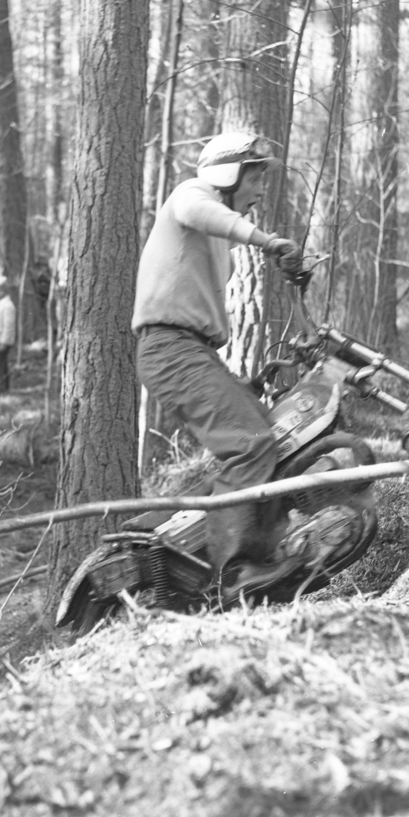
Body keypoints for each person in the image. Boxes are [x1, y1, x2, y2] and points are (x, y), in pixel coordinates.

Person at [131, 133, 305, 594]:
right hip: (171, 349)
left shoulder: (213, 239)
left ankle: (167, 538)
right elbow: (196, 210)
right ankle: (233, 576)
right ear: (226, 176)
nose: (260, 191)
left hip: (192, 352)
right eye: (254, 177)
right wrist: (266, 241)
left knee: (270, 438)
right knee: (251, 445)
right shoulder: (190, 196)